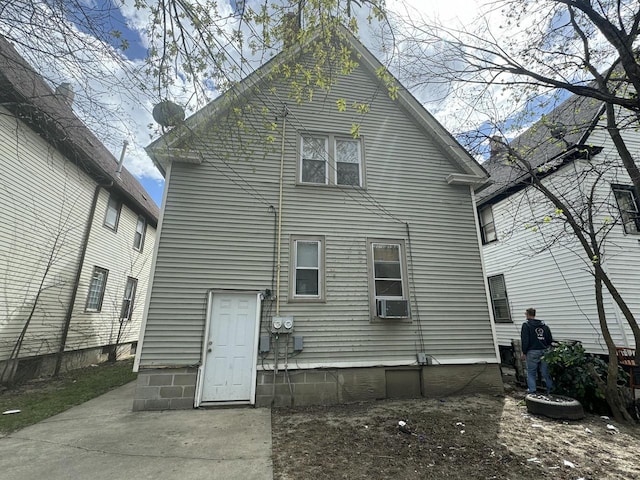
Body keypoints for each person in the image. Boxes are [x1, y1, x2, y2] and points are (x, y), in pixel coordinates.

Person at [520, 308, 554, 394]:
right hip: (544, 351)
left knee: (531, 372)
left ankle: (532, 391)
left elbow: (525, 340)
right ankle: (550, 390)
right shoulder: (544, 326)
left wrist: (524, 352)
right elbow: (549, 339)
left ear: (527, 314)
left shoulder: (526, 325)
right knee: (545, 372)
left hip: (532, 351)